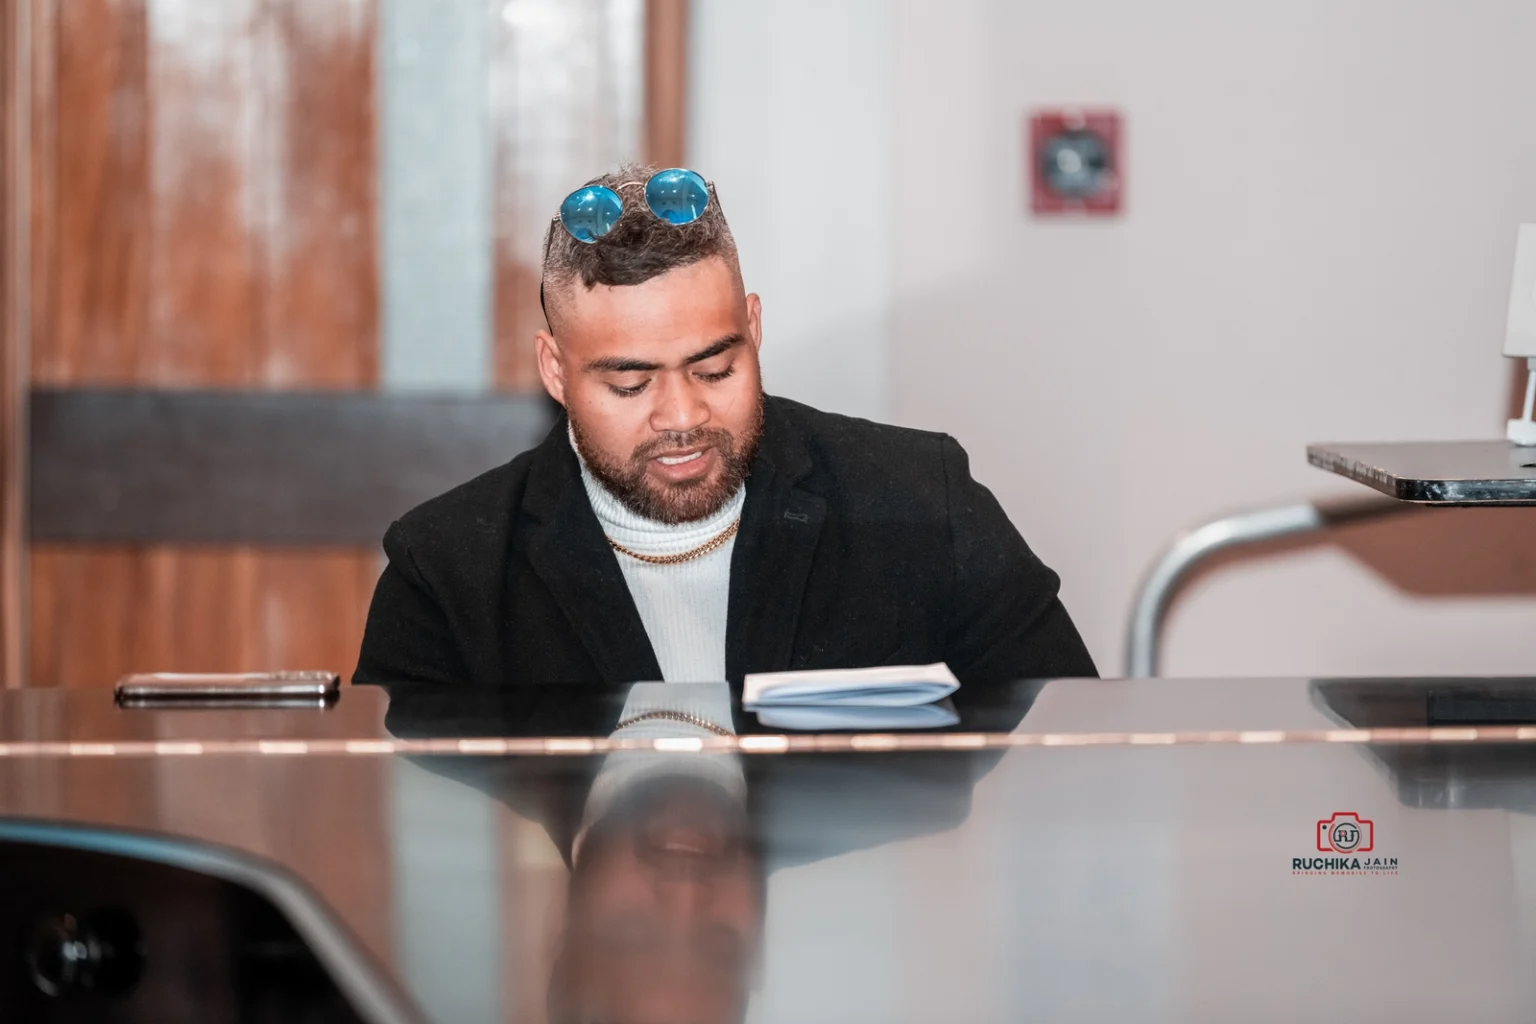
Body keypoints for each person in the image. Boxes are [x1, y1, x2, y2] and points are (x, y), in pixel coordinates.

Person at [354, 165, 1096, 689]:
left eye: (714, 370)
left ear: (753, 327)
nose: (682, 417)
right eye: (630, 382)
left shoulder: (918, 502)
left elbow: (1072, 749)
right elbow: (413, 837)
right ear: (554, 370)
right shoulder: (448, 570)